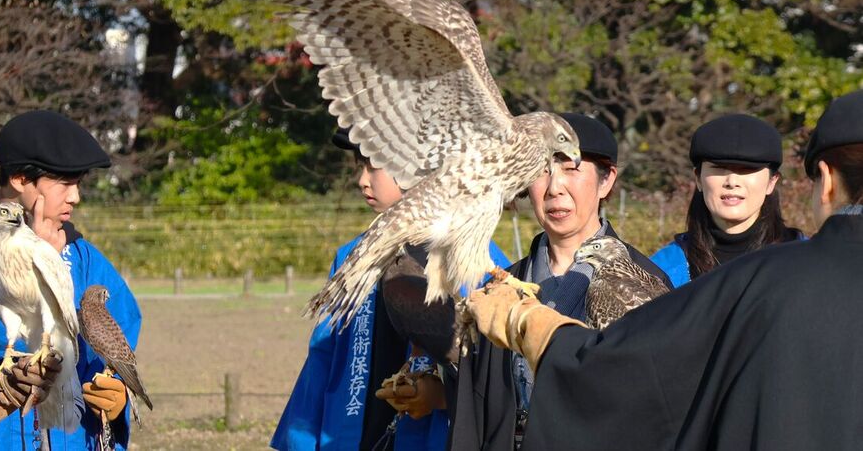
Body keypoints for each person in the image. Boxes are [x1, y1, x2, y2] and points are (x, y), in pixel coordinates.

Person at [466, 89, 863, 450]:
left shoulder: (767, 277)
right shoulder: (691, 265)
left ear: (825, 179)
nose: (731, 183)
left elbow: (637, 369)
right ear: (698, 178)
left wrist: (531, 326)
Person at [271, 128, 509, 451]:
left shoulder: (476, 259)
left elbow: (498, 376)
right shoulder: (352, 257)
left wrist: (440, 396)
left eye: (373, 165)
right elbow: (323, 355)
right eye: (359, 165)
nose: (362, 180)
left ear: (416, 166)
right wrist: (300, 442)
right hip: (351, 436)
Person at [448, 113, 672, 451]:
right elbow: (476, 406)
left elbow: (657, 403)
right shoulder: (504, 287)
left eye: (571, 169)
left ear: (606, 180)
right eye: (542, 171)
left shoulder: (645, 282)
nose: (555, 188)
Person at [0, 110, 142, 450]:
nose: (75, 197)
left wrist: (116, 401)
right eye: (64, 182)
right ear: (19, 179)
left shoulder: (86, 261)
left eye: (79, 183)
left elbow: (116, 352)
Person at [652, 114, 804, 287]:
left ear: (772, 182)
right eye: (719, 168)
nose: (732, 182)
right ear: (698, 178)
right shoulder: (661, 271)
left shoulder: (808, 262)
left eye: (747, 170)